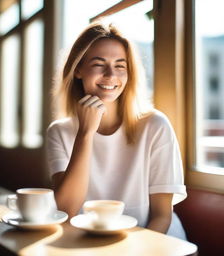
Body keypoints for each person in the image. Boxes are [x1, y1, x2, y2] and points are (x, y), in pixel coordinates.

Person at [47, 22, 187, 239]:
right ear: (78, 70)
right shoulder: (59, 131)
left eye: (120, 65)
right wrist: (85, 133)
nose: (111, 74)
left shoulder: (155, 125)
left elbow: (162, 216)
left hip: (157, 242)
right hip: (91, 245)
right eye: (98, 64)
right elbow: (66, 210)